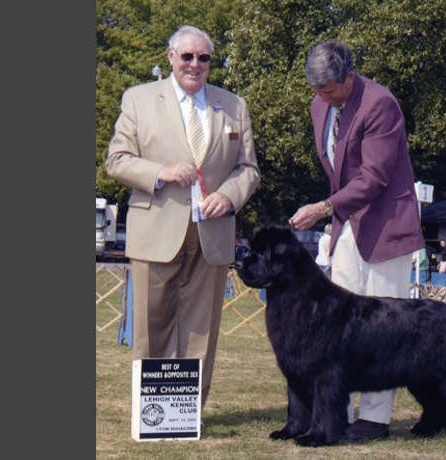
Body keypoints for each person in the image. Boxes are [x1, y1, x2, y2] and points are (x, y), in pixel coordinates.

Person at [106, 25, 260, 409]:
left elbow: (249, 170)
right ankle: (151, 411)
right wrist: (159, 172)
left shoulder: (234, 105)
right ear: (170, 56)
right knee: (150, 327)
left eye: (203, 58)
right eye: (187, 56)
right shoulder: (138, 99)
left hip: (212, 235)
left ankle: (188, 410)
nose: (195, 64)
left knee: (200, 329)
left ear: (211, 62)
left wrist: (228, 196)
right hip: (155, 231)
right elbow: (117, 161)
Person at [289, 40, 425, 441]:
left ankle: (376, 419)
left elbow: (374, 178)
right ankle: (335, 411)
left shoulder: (381, 104)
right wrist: (335, 218)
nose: (322, 98)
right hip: (348, 226)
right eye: (316, 90)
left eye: (329, 90)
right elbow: (338, 169)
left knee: (384, 326)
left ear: (350, 77)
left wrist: (323, 207)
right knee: (338, 326)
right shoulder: (320, 106)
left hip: (387, 226)